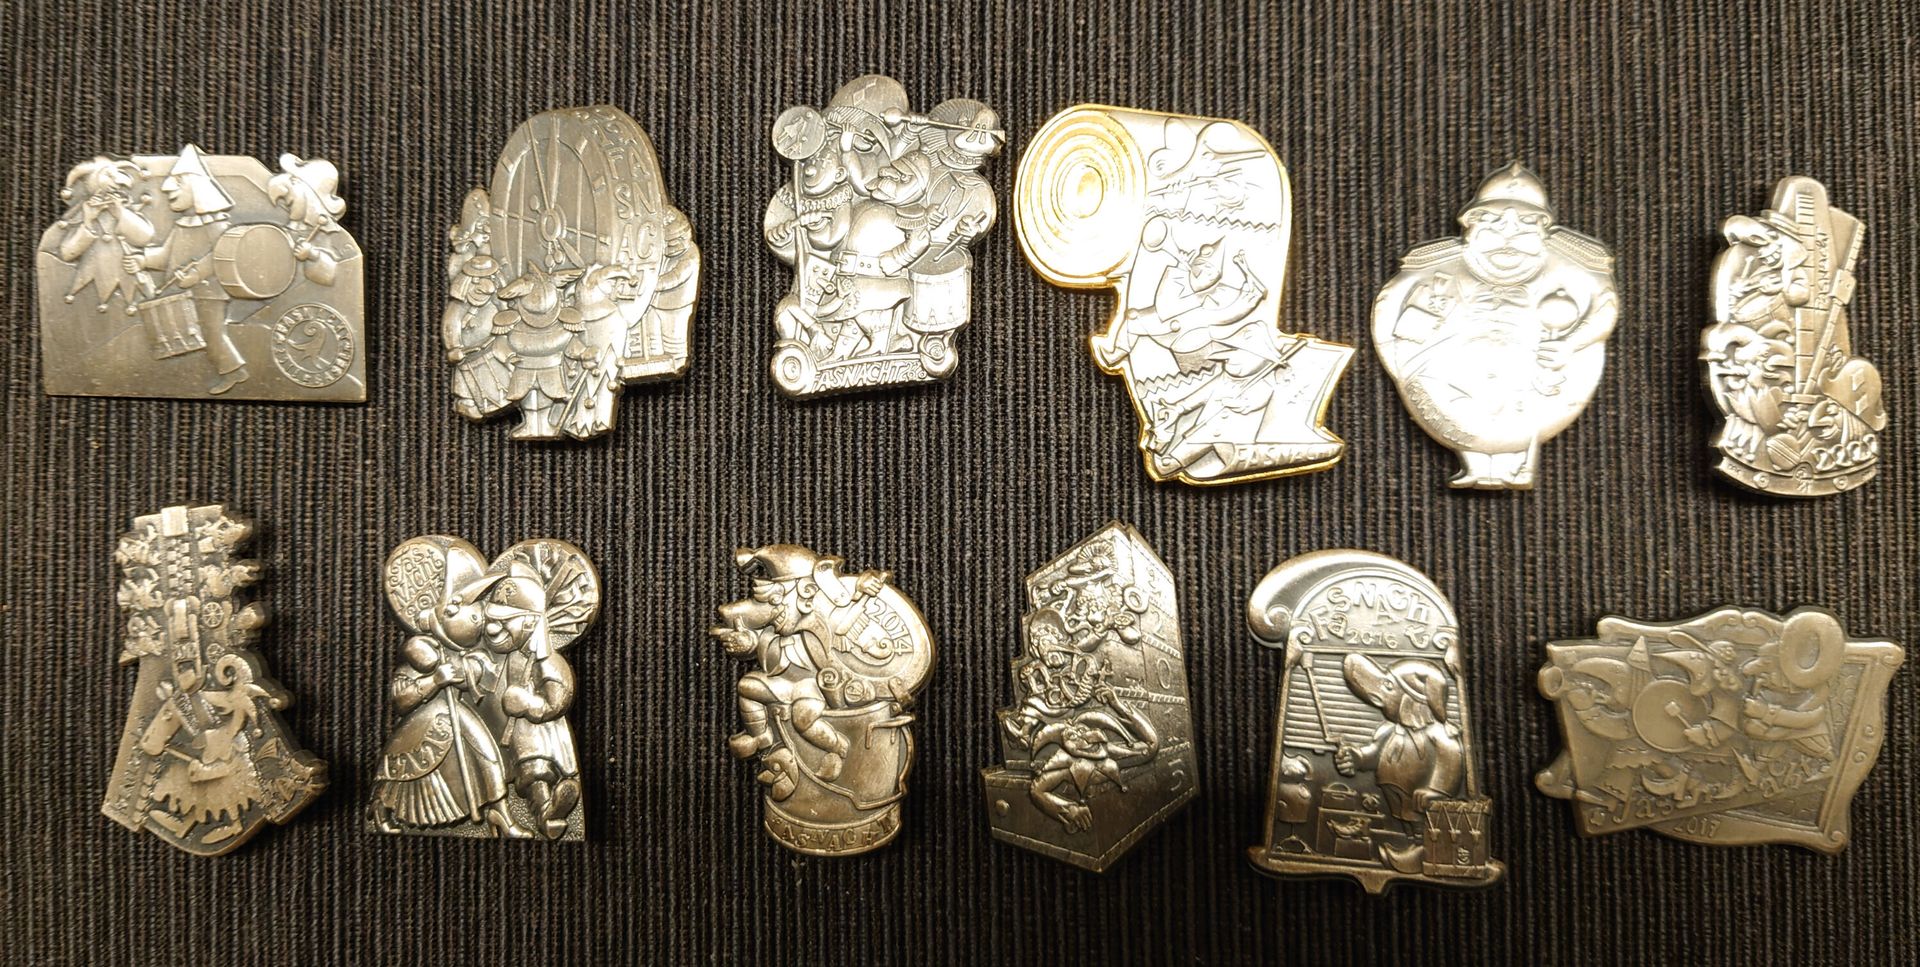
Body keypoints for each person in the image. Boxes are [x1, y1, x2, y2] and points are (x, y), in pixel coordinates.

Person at [126, 145, 252, 394]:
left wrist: (196, 274)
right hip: (187, 293)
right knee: (200, 333)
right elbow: (165, 256)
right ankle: (232, 370)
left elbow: (220, 255)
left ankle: (234, 371)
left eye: (178, 184)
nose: (167, 189)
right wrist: (142, 260)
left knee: (211, 333)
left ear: (196, 188)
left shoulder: (216, 224)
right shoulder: (182, 225)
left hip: (209, 292)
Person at [483, 565, 581, 839]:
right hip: (504, 733)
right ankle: (544, 815)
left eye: (504, 620)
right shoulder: (505, 658)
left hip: (538, 733)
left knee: (535, 767)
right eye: (492, 618)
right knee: (521, 769)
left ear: (529, 623)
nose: (493, 627)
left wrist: (529, 704)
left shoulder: (547, 661)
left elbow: (557, 700)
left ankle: (547, 811)